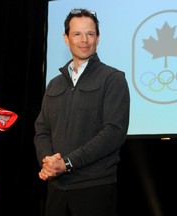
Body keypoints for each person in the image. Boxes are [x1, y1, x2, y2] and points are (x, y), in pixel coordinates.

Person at [34, 8, 130, 216]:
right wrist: (48, 161)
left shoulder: (113, 79)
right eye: (77, 34)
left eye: (90, 34)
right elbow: (42, 129)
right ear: (66, 39)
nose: (84, 40)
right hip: (56, 189)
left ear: (98, 38)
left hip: (94, 188)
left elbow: (114, 132)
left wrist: (67, 163)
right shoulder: (54, 84)